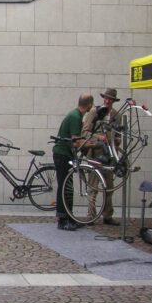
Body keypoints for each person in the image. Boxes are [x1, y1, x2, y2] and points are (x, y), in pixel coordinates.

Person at [53, 94, 94, 231]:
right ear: (89, 104)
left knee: (68, 188)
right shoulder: (75, 117)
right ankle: (62, 220)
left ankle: (70, 218)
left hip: (66, 154)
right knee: (64, 187)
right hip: (62, 154)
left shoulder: (76, 115)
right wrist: (94, 145)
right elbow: (76, 141)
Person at [81, 88, 121, 225]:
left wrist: (115, 143)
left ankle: (107, 216)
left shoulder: (117, 115)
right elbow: (84, 132)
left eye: (110, 99)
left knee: (109, 187)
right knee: (93, 187)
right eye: (106, 98)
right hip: (95, 154)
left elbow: (118, 136)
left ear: (113, 101)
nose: (107, 101)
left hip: (109, 157)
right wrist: (99, 137)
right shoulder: (94, 112)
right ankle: (91, 216)